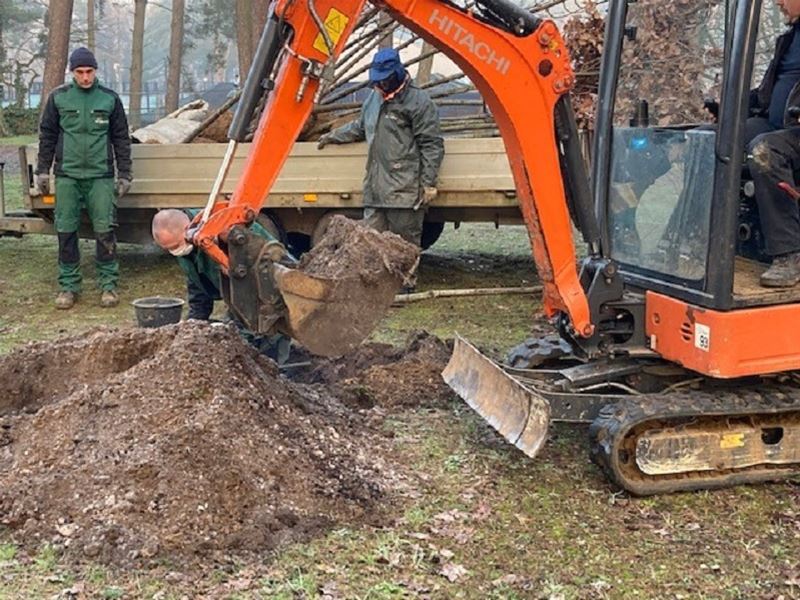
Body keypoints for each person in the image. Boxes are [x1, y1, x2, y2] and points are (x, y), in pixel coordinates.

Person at [317, 48, 444, 250]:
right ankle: (376, 283)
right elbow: (360, 126)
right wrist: (332, 136)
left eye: (384, 79)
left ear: (397, 73)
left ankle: (405, 283)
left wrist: (429, 183)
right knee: (370, 249)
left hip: (403, 194)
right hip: (375, 193)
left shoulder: (418, 102)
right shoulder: (374, 99)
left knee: (404, 249)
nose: (380, 84)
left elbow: (431, 144)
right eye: (378, 80)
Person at [36, 47, 132, 309]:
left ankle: (109, 285)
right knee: (66, 230)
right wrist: (43, 169)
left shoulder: (110, 99)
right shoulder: (59, 98)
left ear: (96, 71)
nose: (86, 77)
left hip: (100, 177)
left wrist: (124, 173)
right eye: (80, 72)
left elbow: (121, 139)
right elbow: (48, 135)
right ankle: (68, 286)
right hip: (67, 176)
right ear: (72, 73)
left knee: (105, 230)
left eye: (89, 71)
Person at [151, 209, 290, 363]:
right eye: (168, 249)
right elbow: (196, 281)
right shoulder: (187, 244)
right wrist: (194, 323)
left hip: (266, 301)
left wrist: (239, 334)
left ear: (187, 230)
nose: (174, 251)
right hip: (237, 299)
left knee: (265, 353)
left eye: (176, 245)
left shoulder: (226, 232)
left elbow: (258, 292)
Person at [746, 0, 800, 287]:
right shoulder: (790, 39)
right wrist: (732, 106)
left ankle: (789, 254)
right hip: (778, 126)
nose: (778, 2)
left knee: (765, 150)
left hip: (794, 132)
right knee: (710, 138)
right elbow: (770, 89)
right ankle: (688, 238)